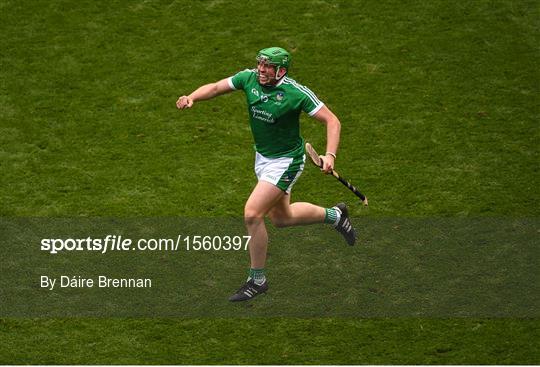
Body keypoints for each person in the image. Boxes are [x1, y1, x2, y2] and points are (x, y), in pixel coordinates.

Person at [176, 47, 357, 302]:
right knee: (283, 218)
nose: (261, 69)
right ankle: (336, 216)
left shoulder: (296, 93)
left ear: (280, 70)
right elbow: (217, 87)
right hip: (262, 158)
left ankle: (257, 280)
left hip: (286, 162)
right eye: (260, 64)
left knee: (252, 213)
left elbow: (332, 121)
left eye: (267, 66)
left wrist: (330, 155)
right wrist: (192, 96)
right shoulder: (248, 78)